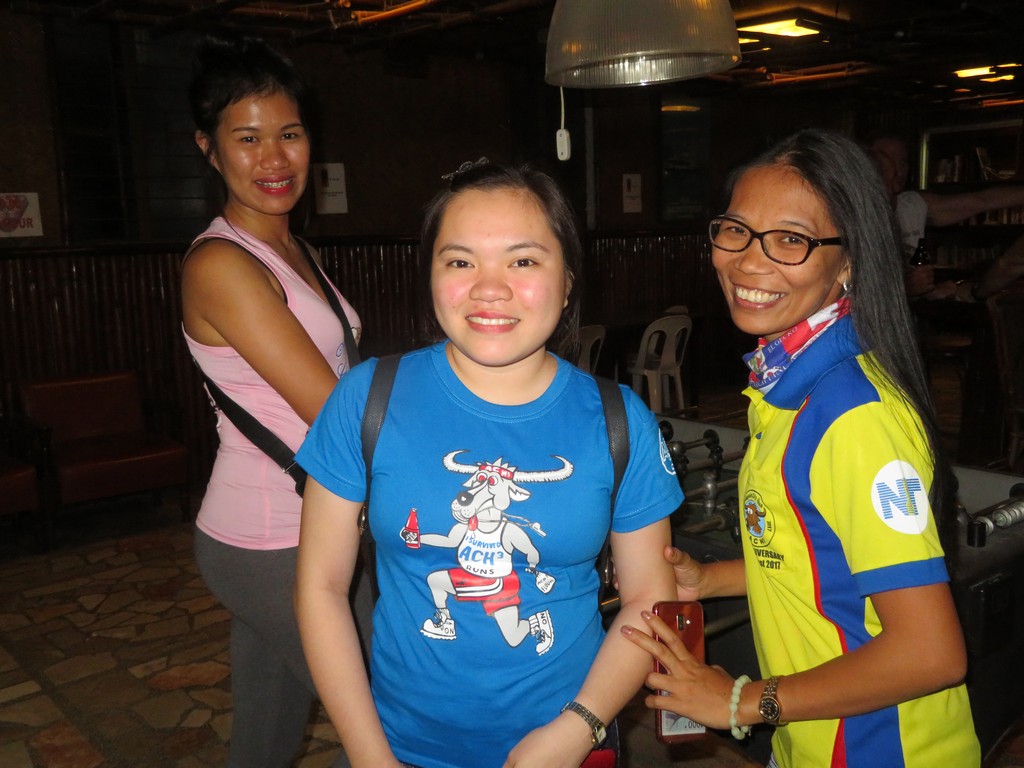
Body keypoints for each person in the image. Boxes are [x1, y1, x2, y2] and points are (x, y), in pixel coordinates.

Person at [294, 161, 683, 768]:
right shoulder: (367, 398)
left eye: (523, 260)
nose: (489, 288)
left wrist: (576, 730)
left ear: (568, 280)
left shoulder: (618, 420)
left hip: (568, 744)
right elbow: (320, 586)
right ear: (430, 275)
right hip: (398, 747)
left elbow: (648, 598)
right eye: (460, 261)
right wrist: (371, 757)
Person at [624, 129, 981, 768]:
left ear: (848, 262)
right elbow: (818, 563)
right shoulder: (787, 382)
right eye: (735, 230)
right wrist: (711, 579)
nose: (748, 262)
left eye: (791, 240)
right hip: (812, 742)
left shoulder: (854, 417)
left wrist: (742, 702)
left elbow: (931, 653)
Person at [181, 33, 361, 768]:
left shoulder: (294, 249)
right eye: (247, 138)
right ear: (209, 149)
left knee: (266, 739)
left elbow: (345, 376)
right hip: (274, 539)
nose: (274, 158)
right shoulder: (222, 263)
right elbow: (336, 412)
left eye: (289, 134)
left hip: (305, 524)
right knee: (390, 723)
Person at [868, 132, 1024, 299]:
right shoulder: (856, 218)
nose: (896, 169)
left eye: (902, 162)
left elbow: (981, 201)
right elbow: (857, 292)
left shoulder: (912, 205)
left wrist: (930, 292)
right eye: (887, 161)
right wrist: (905, 288)